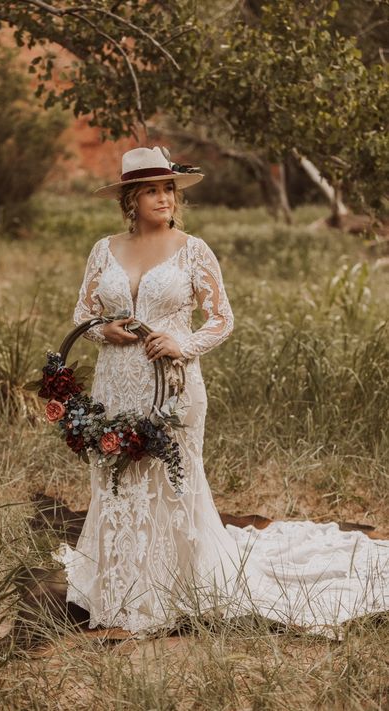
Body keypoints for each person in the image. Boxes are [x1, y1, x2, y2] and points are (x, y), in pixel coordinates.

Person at [52, 146, 389, 637]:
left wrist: (181, 341)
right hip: (114, 383)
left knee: (171, 479)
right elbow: (82, 314)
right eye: (152, 190)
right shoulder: (104, 249)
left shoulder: (192, 249)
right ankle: (118, 585)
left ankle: (173, 587)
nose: (164, 198)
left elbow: (222, 319)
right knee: (116, 476)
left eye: (169, 188)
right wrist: (108, 330)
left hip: (173, 383)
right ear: (130, 198)